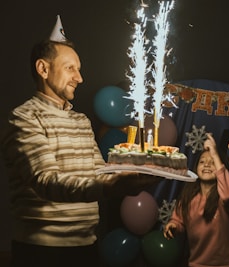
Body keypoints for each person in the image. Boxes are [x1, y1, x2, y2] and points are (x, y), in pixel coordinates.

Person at [0, 16, 162, 267]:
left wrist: (134, 172)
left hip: (86, 248)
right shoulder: (23, 118)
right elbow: (46, 181)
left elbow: (98, 174)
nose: (80, 78)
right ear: (43, 69)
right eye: (70, 68)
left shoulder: (81, 121)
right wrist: (110, 187)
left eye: (79, 69)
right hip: (41, 252)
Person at [163, 129, 229, 267]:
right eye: (202, 161)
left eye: (212, 162)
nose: (206, 164)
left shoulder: (222, 198)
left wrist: (215, 153)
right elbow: (178, 220)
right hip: (196, 264)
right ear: (196, 168)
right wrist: (173, 226)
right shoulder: (188, 197)